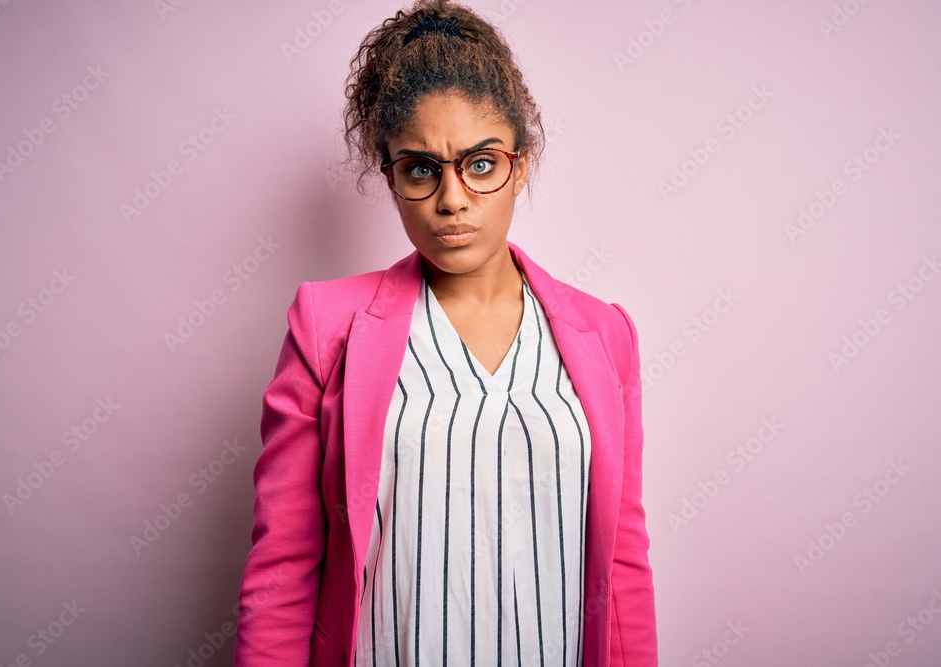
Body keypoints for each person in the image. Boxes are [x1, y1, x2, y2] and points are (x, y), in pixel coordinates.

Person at [233, 1, 658, 665]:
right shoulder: (325, 328)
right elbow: (282, 571)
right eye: (422, 168)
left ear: (520, 165)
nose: (452, 198)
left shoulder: (606, 335)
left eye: (481, 163)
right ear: (392, 175)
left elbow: (623, 560)